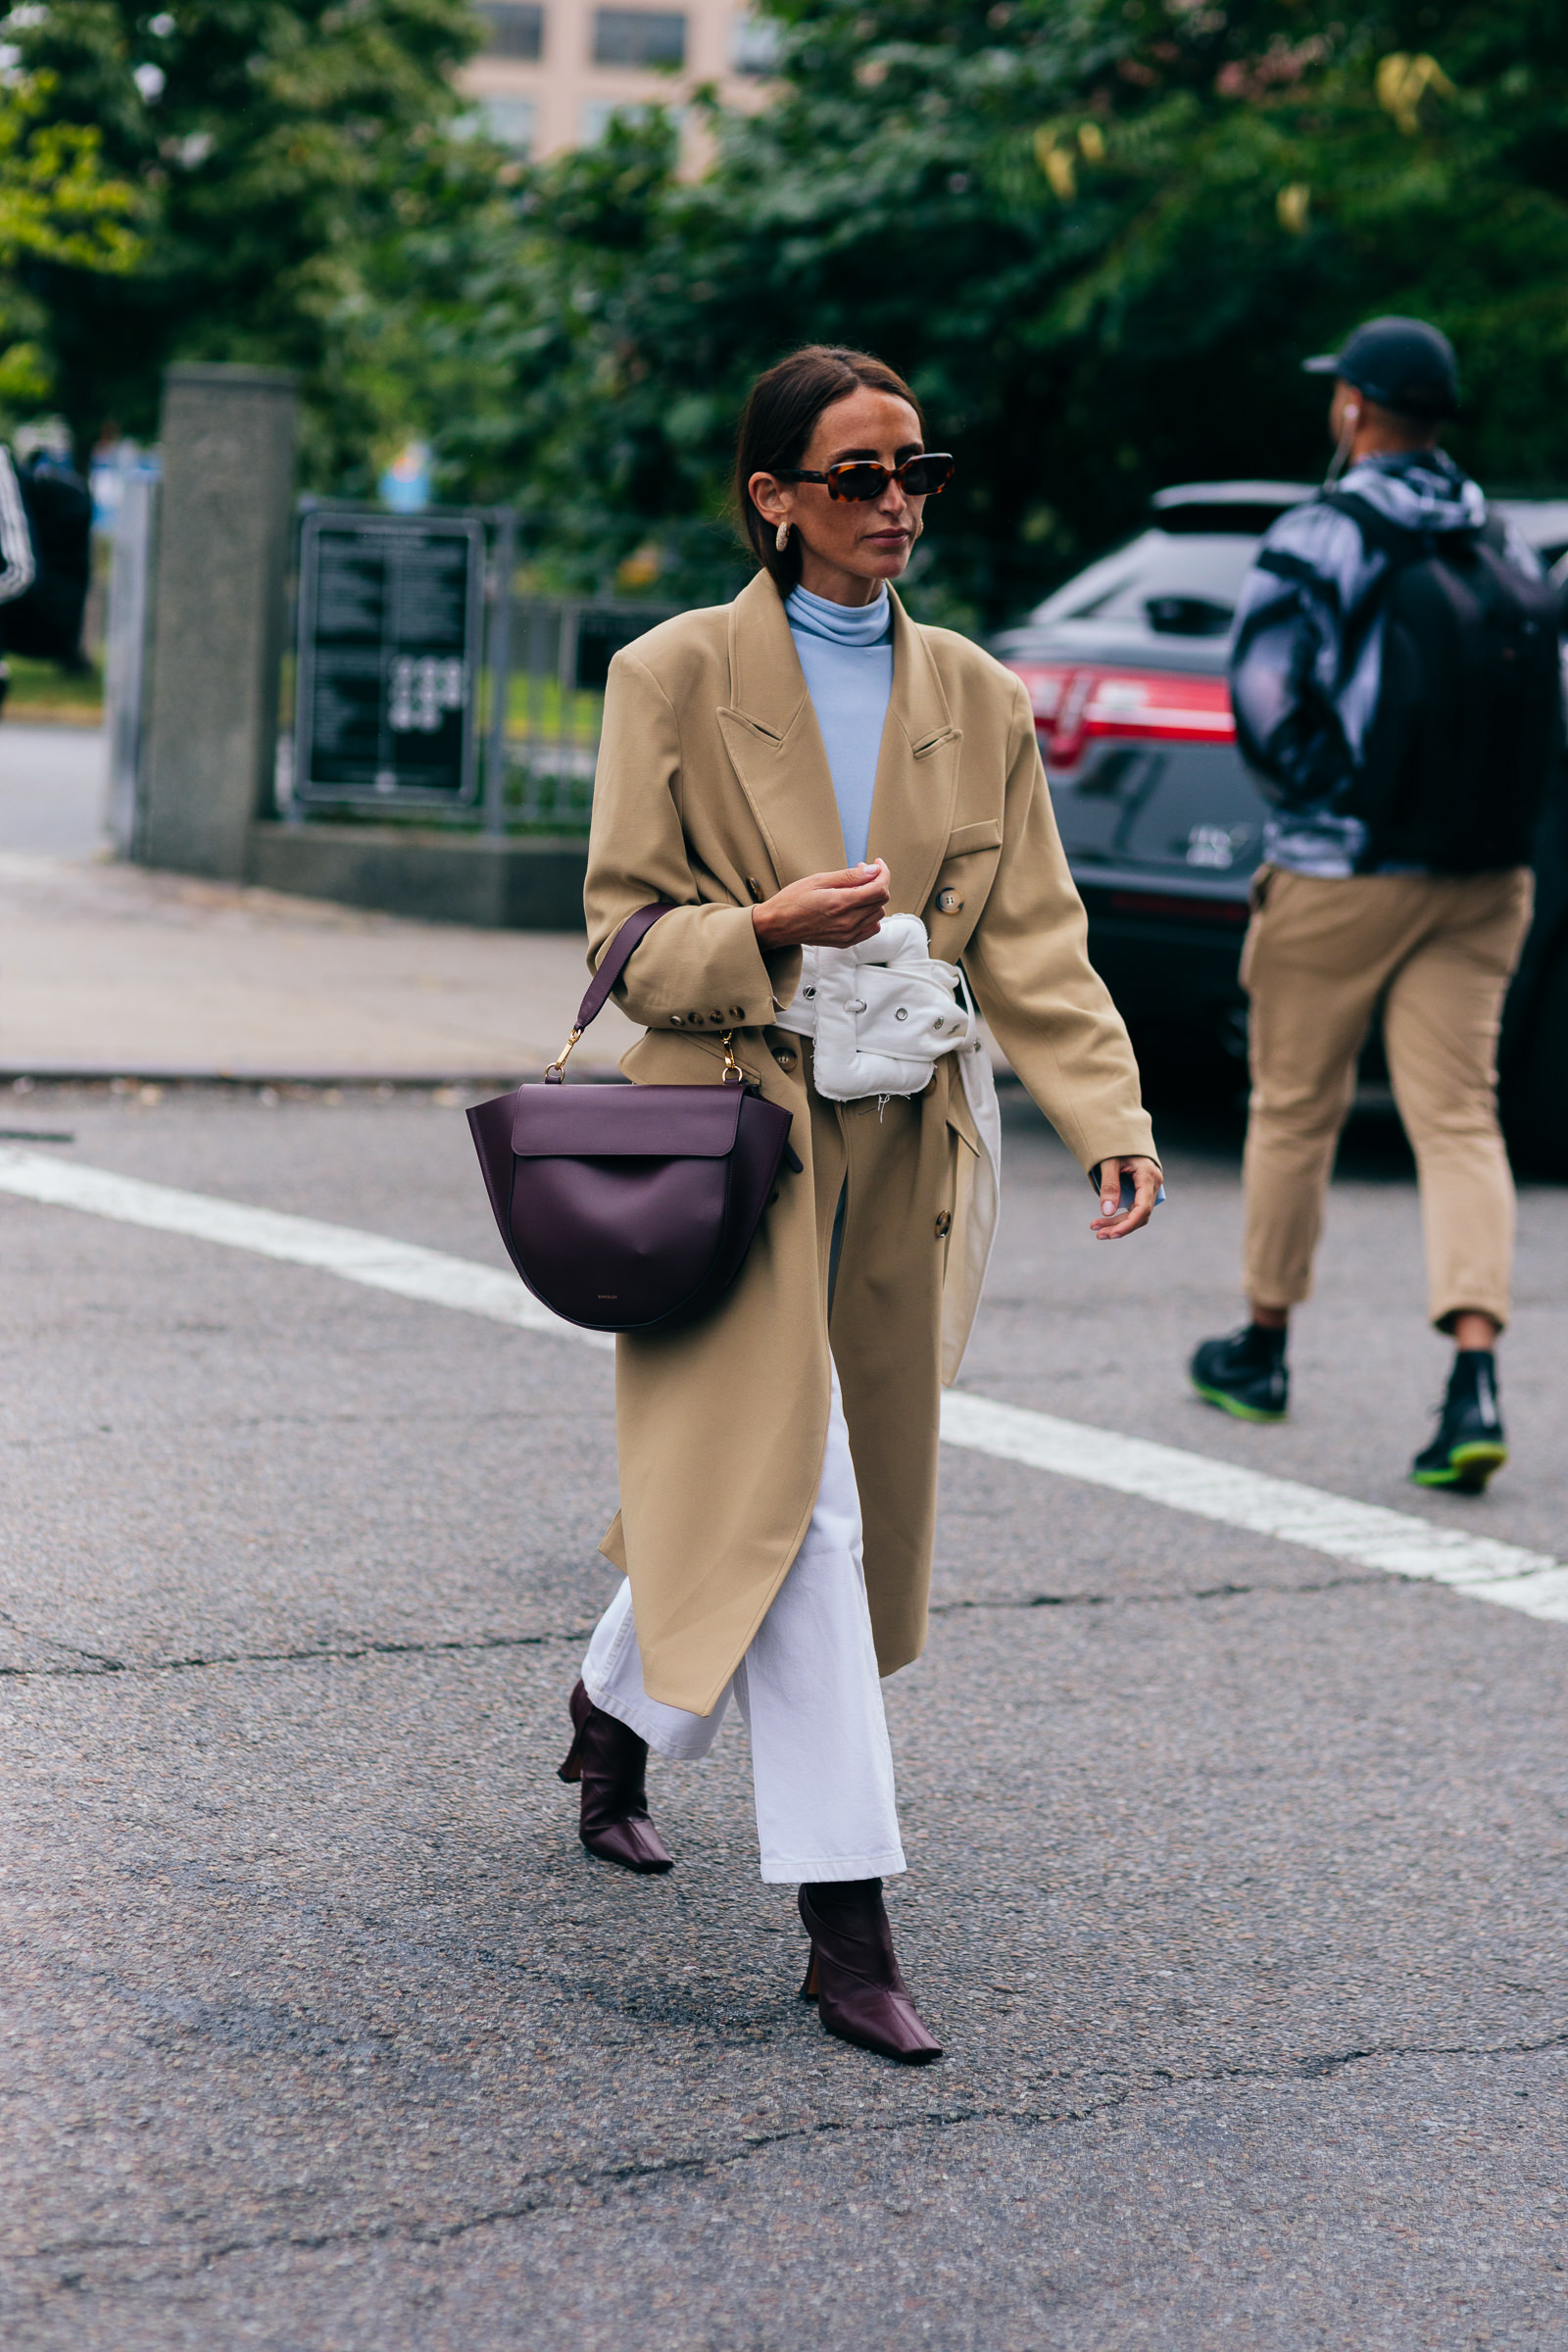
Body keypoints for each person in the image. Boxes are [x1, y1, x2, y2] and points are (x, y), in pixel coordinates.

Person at [561, 344, 1161, 2063]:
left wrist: (1105, 1111)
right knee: (807, 1515)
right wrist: (763, 929)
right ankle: (847, 1920)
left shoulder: (978, 692)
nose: (897, 503)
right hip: (731, 1148)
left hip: (901, 1155)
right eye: (857, 477)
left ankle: (608, 1714)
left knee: (784, 1481)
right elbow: (623, 936)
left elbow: (1033, 935)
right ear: (773, 500)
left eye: (918, 473)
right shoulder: (669, 675)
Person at [1191, 317, 1561, 1490]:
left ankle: (1261, 1347)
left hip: (1343, 869)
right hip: (1484, 874)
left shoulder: (1325, 527)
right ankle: (1472, 1378)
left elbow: (1261, 694)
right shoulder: (1488, 527)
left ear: (1353, 410)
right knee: (1457, 1118)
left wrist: (1328, 807)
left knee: (1294, 1104)